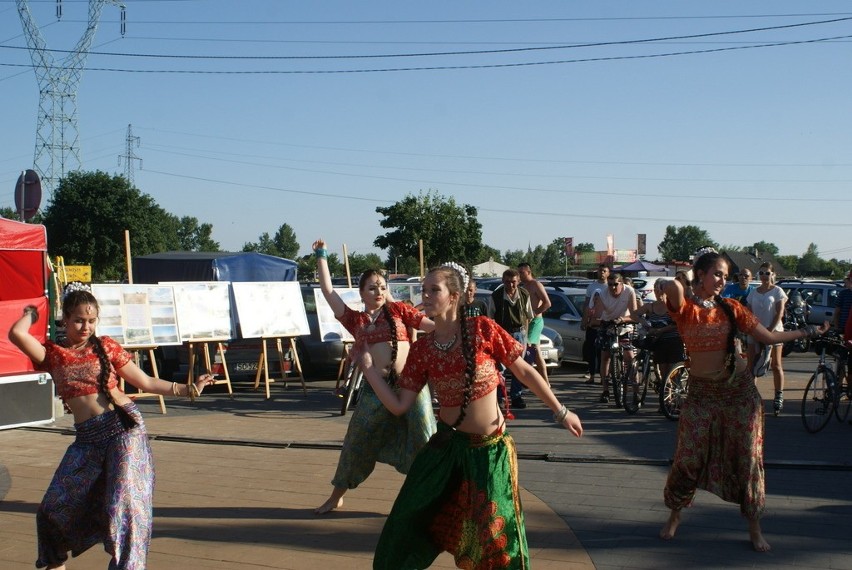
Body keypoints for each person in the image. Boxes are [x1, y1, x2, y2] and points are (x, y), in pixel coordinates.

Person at [358, 262, 583, 569]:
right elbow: (399, 405)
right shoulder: (423, 349)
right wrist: (369, 370)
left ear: (454, 295)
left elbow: (526, 372)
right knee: (405, 523)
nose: (425, 294)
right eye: (424, 289)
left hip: (489, 452)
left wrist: (561, 411)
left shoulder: (483, 330)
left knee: (495, 539)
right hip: (446, 449)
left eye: (434, 289)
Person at [8, 288, 215, 570]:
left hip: (122, 431)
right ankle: (55, 563)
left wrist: (188, 389)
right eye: (79, 320)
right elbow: (17, 335)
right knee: (52, 508)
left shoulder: (106, 346)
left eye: (92, 321)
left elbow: (145, 381)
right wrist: (31, 313)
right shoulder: (52, 354)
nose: (86, 327)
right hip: (86, 440)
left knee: (123, 506)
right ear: (65, 320)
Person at [658, 248, 827, 552]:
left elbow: (769, 338)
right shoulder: (686, 310)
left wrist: (806, 331)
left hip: (739, 393)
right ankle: (675, 516)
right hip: (701, 394)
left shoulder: (733, 307)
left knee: (748, 459)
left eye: (726, 275)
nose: (723, 279)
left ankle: (754, 527)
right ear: (702, 275)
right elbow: (673, 289)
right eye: (717, 274)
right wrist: (681, 278)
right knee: (688, 456)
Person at [311, 239, 436, 515]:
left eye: (382, 286)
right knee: (357, 440)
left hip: (411, 386)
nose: (378, 291)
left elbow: (429, 325)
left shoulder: (401, 310)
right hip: (376, 390)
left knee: (427, 439)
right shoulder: (356, 320)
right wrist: (321, 256)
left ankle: (433, 499)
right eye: (372, 287)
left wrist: (453, 326)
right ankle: (336, 496)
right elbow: (328, 291)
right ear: (361, 293)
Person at [630, 278, 684, 399]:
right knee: (664, 373)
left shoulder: (672, 306)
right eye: (655, 289)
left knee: (673, 372)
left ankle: (674, 399)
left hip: (673, 341)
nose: (658, 292)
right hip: (659, 343)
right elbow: (634, 314)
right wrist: (643, 321)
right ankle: (667, 399)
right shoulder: (650, 306)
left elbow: (677, 323)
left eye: (660, 290)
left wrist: (661, 330)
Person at [746, 262, 788, 414]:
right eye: (761, 273)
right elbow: (749, 313)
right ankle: (752, 398)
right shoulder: (754, 292)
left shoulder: (778, 291)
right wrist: (756, 330)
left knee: (776, 365)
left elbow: (779, 313)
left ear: (773, 275)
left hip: (774, 331)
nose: (764, 276)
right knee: (752, 365)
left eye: (767, 273)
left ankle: (779, 396)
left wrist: (768, 332)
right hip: (756, 331)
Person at [590, 272, 638, 404]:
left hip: (624, 324)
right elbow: (598, 315)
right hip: (608, 324)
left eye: (615, 284)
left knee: (629, 356)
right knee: (605, 356)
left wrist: (623, 319)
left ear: (621, 283)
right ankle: (605, 390)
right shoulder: (603, 294)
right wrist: (594, 318)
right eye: (610, 284)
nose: (612, 287)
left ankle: (635, 391)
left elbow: (634, 314)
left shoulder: (629, 291)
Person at [490, 268, 534, 409]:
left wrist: (525, 337)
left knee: (518, 367)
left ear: (518, 281)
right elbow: (490, 318)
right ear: (503, 281)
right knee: (500, 367)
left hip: (519, 334)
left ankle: (516, 396)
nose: (510, 285)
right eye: (507, 282)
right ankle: (500, 397)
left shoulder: (524, 295)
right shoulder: (496, 296)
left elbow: (528, 317)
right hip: (502, 333)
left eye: (513, 282)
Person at [518, 262, 552, 385]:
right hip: (525, 322)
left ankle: (543, 381)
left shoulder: (536, 285)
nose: (520, 275)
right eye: (519, 273)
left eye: (522, 273)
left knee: (532, 348)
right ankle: (539, 381)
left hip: (535, 321)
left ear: (528, 272)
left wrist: (534, 314)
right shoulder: (522, 286)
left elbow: (547, 303)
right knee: (532, 350)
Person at [581, 264, 610, 384]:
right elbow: (587, 305)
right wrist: (584, 320)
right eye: (600, 271)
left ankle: (604, 378)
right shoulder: (592, 286)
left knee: (603, 353)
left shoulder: (611, 286)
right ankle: (592, 375)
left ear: (608, 273)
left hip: (606, 324)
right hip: (592, 325)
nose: (602, 273)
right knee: (591, 351)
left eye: (604, 271)